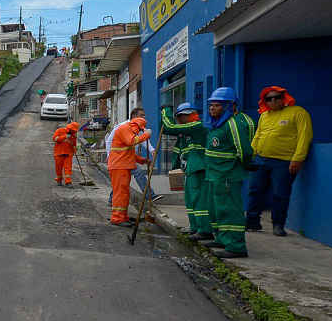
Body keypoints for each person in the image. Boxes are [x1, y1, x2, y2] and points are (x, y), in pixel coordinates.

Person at [246, 85, 312, 237]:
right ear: (265, 101)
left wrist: (298, 159)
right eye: (269, 99)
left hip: (284, 161)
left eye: (277, 97)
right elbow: (258, 136)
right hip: (260, 160)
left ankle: (278, 225)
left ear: (284, 98)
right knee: (255, 191)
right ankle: (252, 222)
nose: (273, 100)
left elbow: (305, 136)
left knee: (280, 194)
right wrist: (251, 155)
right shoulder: (264, 116)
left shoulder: (298, 112)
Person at [202, 86, 256, 258]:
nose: (212, 108)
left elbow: (245, 151)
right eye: (211, 105)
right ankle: (222, 239)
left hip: (227, 175)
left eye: (217, 105)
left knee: (230, 210)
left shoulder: (234, 123)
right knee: (217, 209)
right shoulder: (217, 124)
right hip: (215, 175)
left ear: (230, 106)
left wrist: (243, 165)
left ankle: (236, 246)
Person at [159, 102, 211, 239]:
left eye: (180, 117)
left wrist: (166, 111)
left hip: (199, 168)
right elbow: (165, 129)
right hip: (190, 169)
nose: (179, 121)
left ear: (189, 115)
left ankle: (204, 230)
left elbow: (169, 127)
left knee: (199, 200)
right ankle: (195, 227)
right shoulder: (186, 131)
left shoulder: (196, 126)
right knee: (190, 200)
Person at [107, 114, 150, 226]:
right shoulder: (125, 129)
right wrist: (145, 135)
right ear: (137, 126)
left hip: (123, 166)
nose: (139, 132)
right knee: (120, 193)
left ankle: (122, 216)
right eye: (140, 130)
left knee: (124, 193)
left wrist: (142, 160)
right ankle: (117, 218)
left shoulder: (128, 130)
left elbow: (128, 151)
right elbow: (131, 141)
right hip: (119, 166)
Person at [52, 121, 79, 186]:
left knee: (68, 168)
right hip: (59, 153)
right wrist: (65, 136)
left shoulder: (73, 135)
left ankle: (68, 182)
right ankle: (59, 179)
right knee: (58, 168)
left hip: (68, 154)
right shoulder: (59, 131)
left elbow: (74, 144)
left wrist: (75, 150)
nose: (73, 132)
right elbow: (55, 139)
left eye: (74, 131)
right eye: (72, 130)